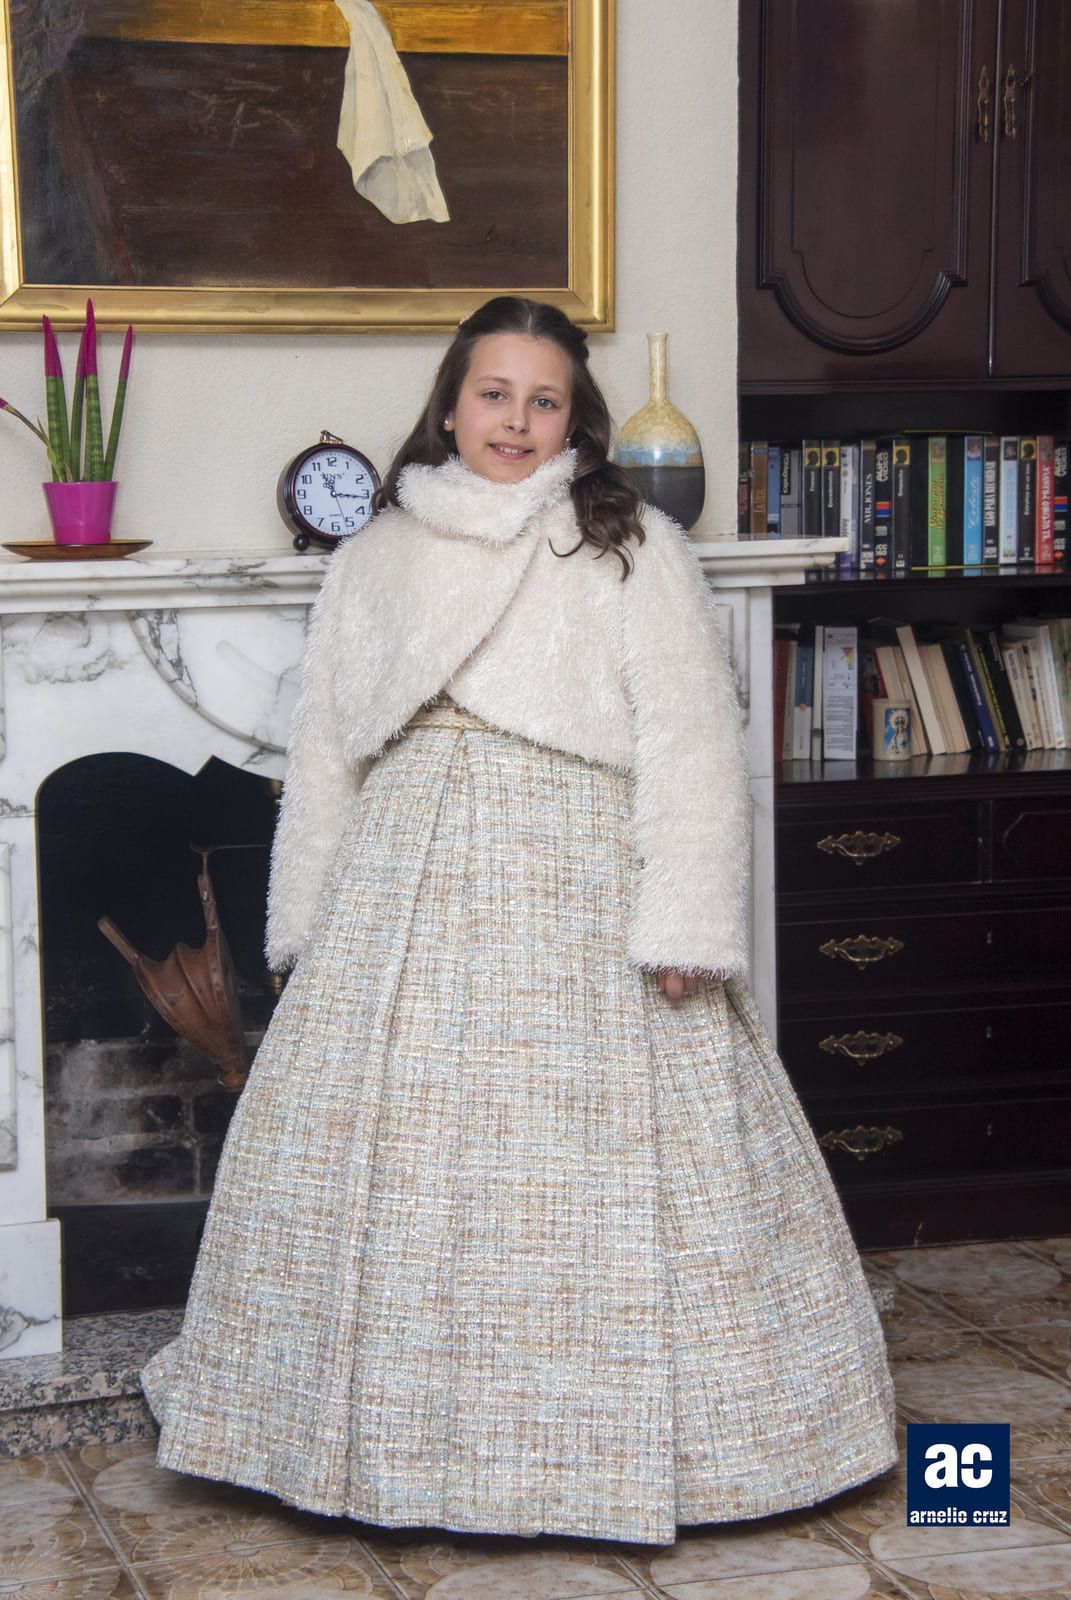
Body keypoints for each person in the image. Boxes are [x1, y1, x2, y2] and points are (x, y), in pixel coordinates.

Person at [142, 296, 897, 1546]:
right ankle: (375, 1437)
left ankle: (622, 1440)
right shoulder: (376, 553)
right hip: (405, 875)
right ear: (450, 404)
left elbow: (693, 742)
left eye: (545, 401)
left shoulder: (630, 543)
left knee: (586, 1173)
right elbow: (326, 749)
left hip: (583, 876)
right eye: (495, 395)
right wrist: (309, 925)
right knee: (403, 1165)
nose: (517, 421)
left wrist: (685, 923)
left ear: (574, 419)